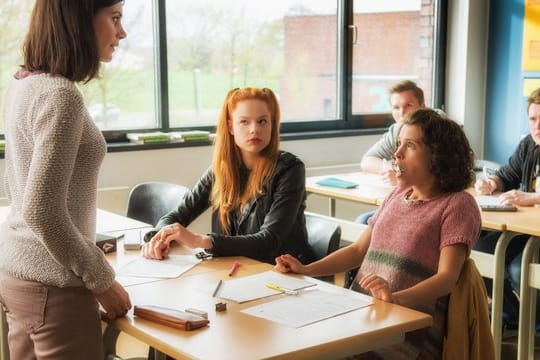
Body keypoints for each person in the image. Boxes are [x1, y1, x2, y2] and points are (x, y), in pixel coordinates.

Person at [275, 109, 481, 358]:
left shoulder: (457, 205)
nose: (397, 153)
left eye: (410, 145)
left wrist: (395, 299)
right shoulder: (396, 195)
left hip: (406, 333)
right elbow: (358, 251)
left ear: (438, 155)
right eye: (398, 144)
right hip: (366, 316)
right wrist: (307, 269)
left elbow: (447, 277)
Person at [0, 1, 131, 359]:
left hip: (19, 273)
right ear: (79, 19)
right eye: (115, 18)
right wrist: (102, 281)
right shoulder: (61, 95)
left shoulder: (23, 83)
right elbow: (42, 210)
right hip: (53, 285)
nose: (122, 33)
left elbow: (20, 188)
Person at [142, 87, 316, 265]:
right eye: (244, 122)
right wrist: (159, 239)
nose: (254, 129)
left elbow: (269, 241)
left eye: (262, 121)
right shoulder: (220, 170)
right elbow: (175, 217)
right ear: (231, 127)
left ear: (272, 124)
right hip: (236, 269)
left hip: (285, 272)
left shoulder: (290, 169)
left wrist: (199, 241)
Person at [474, 86, 540, 331]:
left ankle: (536, 326)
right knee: (476, 253)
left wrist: (532, 198)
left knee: (517, 269)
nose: (537, 127)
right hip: (524, 229)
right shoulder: (528, 145)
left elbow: (530, 197)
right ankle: (513, 315)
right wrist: (492, 183)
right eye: (533, 119)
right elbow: (506, 175)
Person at [356, 80, 426, 224]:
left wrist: (404, 178)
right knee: (363, 221)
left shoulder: (439, 127)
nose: (401, 113)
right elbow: (367, 161)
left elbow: (443, 173)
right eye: (396, 107)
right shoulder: (397, 129)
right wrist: (390, 167)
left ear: (422, 106)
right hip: (407, 199)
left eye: (408, 105)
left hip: (431, 203)